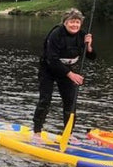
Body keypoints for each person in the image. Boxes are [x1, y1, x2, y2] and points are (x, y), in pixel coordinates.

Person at [32, 8, 96, 138]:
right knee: (45, 99)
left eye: (77, 22)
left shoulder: (82, 35)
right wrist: (71, 75)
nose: (75, 25)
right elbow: (52, 59)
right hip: (48, 69)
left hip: (66, 70)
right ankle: (37, 132)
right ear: (65, 22)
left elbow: (92, 57)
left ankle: (68, 134)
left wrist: (89, 46)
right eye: (71, 22)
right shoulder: (56, 34)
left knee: (71, 102)